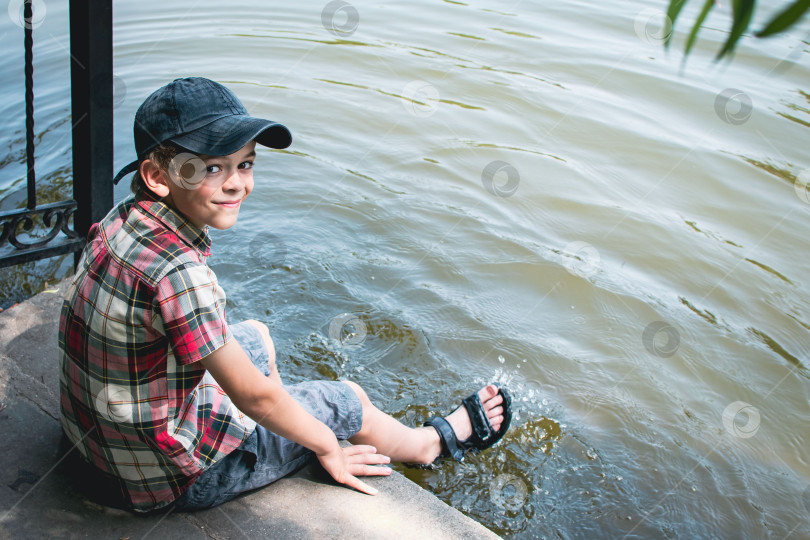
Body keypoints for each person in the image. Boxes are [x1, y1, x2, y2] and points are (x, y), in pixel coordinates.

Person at [57, 77, 513, 513]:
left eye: (246, 163)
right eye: (213, 167)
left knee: (255, 336)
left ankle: (280, 431)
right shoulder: (179, 273)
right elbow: (256, 397)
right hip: (164, 481)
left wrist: (271, 405)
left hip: (96, 451)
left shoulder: (124, 220)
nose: (237, 183)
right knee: (346, 400)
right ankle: (428, 444)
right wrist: (326, 445)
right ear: (158, 176)